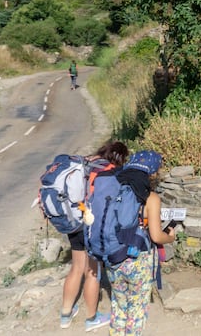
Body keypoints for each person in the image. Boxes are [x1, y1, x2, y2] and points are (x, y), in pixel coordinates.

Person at [60, 141, 129, 331]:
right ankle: (91, 318)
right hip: (91, 225)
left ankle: (65, 314)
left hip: (74, 219)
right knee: (93, 272)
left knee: (76, 267)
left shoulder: (86, 163)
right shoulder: (109, 171)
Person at [107, 150, 177, 335]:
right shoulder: (150, 198)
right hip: (138, 260)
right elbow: (156, 236)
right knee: (136, 311)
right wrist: (170, 236)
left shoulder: (114, 188)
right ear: (152, 172)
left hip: (113, 256)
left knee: (119, 306)